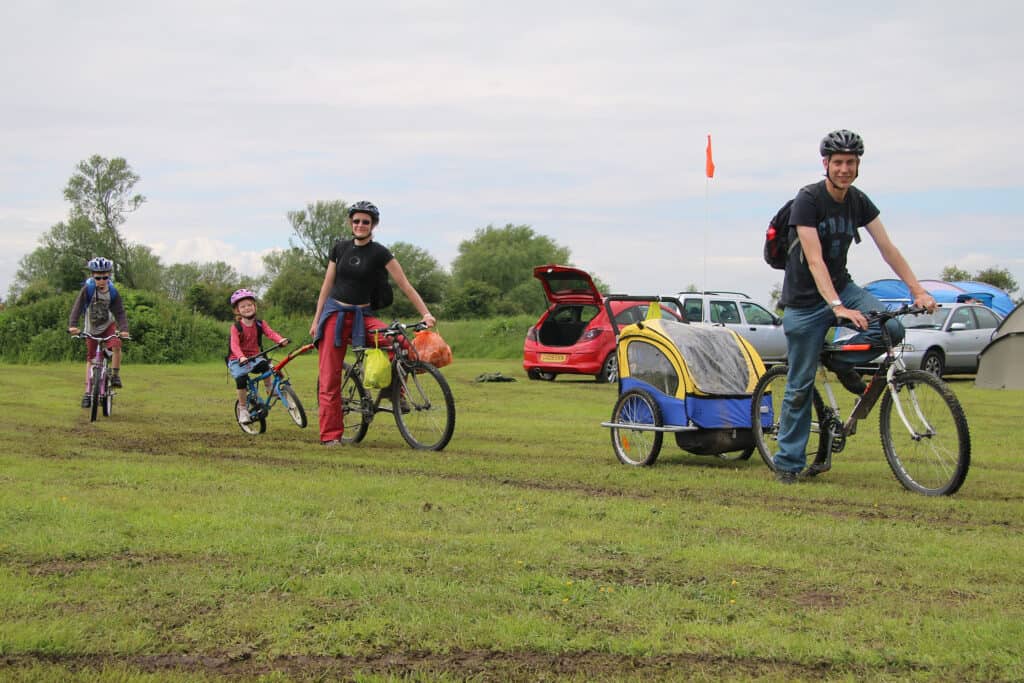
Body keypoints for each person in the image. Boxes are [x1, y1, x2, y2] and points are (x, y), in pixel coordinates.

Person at [772, 129, 937, 484]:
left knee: (892, 327)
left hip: (843, 286)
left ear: (858, 165)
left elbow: (887, 248)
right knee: (799, 385)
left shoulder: (858, 201)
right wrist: (836, 307)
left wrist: (917, 290)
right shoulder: (808, 201)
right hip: (804, 299)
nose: (844, 169)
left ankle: (840, 361)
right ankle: (787, 462)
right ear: (826, 165)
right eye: (838, 163)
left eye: (851, 162)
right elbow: (815, 261)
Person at [310, 200, 436, 446]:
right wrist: (316, 320)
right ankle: (330, 436)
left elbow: (405, 285)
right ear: (350, 223)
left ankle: (394, 391)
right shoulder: (340, 248)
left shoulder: (380, 253)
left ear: (373, 225)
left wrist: (426, 313)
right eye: (356, 221)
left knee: (400, 343)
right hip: (335, 316)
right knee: (329, 378)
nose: (360, 225)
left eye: (365, 222)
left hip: (363, 317)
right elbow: (326, 286)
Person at [67, 257, 131, 408]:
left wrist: (124, 329)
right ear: (92, 276)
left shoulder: (113, 292)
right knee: (91, 359)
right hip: (91, 328)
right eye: (98, 277)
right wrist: (73, 326)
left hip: (108, 326)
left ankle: (115, 375)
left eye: (105, 277)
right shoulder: (87, 290)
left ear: (109, 276)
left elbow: (120, 312)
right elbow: (77, 308)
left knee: (116, 346)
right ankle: (87, 393)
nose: (101, 280)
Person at [226, 289, 289, 423]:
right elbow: (234, 346)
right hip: (238, 360)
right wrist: (241, 357)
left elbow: (271, 333)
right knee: (241, 380)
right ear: (237, 311)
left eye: (249, 305)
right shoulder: (236, 327)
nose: (247, 308)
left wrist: (280, 340)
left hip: (255, 358)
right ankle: (243, 409)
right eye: (243, 306)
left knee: (266, 365)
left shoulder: (260, 324)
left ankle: (269, 388)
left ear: (255, 306)